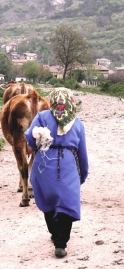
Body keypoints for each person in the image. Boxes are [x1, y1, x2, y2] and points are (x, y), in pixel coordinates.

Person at [24, 87, 89, 258]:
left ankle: (54, 234)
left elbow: (30, 137)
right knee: (66, 203)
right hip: (68, 165)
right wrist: (82, 174)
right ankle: (61, 243)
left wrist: (36, 145)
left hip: (43, 163)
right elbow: (82, 153)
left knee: (48, 201)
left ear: (52, 100)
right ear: (70, 101)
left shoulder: (43, 116)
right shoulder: (77, 122)